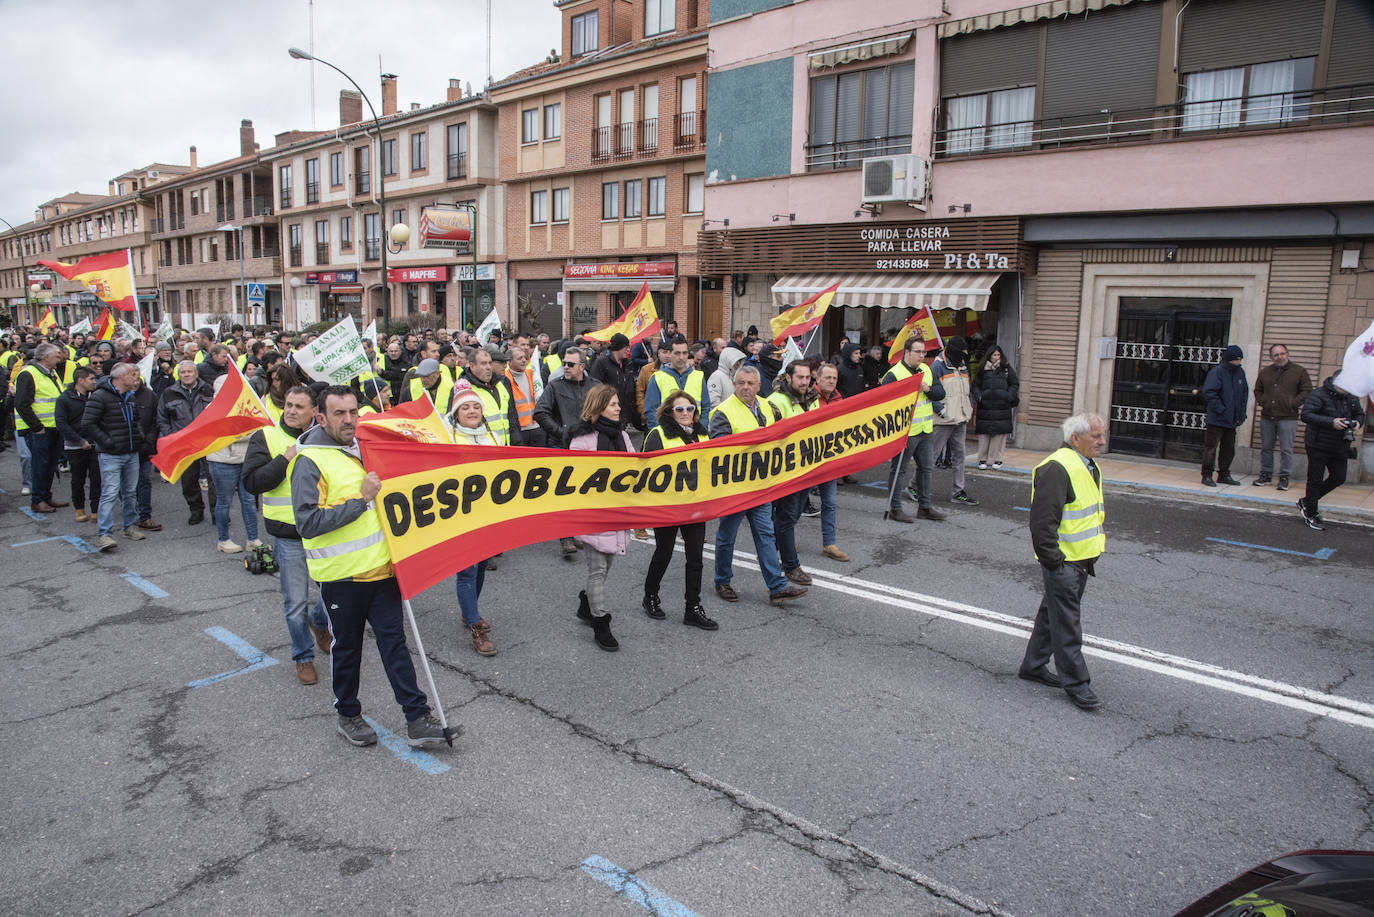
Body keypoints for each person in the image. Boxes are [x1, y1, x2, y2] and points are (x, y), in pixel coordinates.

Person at [290, 385, 449, 748]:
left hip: (383, 573)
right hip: (341, 578)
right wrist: (360, 500)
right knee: (348, 649)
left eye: (353, 412)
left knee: (395, 645)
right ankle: (348, 714)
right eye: (339, 414)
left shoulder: (366, 446)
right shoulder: (309, 460)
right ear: (321, 417)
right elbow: (307, 523)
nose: (349, 420)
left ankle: (416, 717)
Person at [242, 384, 333, 685]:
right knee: (295, 603)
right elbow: (253, 483)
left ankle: (319, 622)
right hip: (289, 536)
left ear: (314, 412)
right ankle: (303, 657)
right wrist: (285, 458)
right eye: (289, 405)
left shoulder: (325, 438)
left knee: (334, 594)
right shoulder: (266, 437)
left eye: (299, 407)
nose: (292, 411)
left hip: (323, 531)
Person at [1019, 413, 1107, 711]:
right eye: (1095, 436)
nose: (1102, 441)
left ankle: (1033, 665)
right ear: (1075, 439)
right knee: (1067, 623)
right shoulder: (1058, 468)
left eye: (1101, 435)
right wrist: (1054, 561)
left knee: (1052, 614)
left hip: (1080, 559)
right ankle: (1077, 684)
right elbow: (1042, 524)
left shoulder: (1087, 464)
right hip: (1065, 561)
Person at [708, 364, 808, 607]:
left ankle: (777, 587)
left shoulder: (768, 406)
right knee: (727, 537)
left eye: (750, 383)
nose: (745, 387)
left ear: (758, 386)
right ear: (734, 385)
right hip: (735, 487)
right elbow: (721, 447)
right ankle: (722, 580)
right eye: (740, 383)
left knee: (765, 534)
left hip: (761, 485)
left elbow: (783, 434)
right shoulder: (723, 411)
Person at [641, 391, 718, 630]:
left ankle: (693, 608)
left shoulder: (703, 434)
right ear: (669, 412)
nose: (686, 413)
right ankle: (650, 596)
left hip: (695, 505)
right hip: (668, 506)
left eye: (690, 408)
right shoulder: (658, 434)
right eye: (680, 409)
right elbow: (645, 470)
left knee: (695, 556)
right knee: (664, 552)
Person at [569, 384, 634, 651]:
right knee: (597, 570)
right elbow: (572, 481)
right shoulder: (582, 440)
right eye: (613, 404)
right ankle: (600, 622)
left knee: (605, 568)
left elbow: (634, 467)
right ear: (599, 408)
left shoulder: (622, 435)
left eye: (618, 403)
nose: (619, 408)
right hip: (594, 513)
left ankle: (586, 603)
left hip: (617, 512)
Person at [445, 381, 500, 656]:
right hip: (461, 515)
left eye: (476, 406)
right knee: (466, 570)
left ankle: (470, 613)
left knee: (480, 567)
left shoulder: (492, 435)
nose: (471, 411)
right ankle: (476, 627)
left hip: (488, 514)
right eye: (465, 407)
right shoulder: (446, 437)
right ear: (456, 412)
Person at [534, 345, 592, 557]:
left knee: (581, 492)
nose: (565, 367)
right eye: (564, 363)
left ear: (582, 366)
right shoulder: (555, 386)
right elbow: (540, 412)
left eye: (570, 364)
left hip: (586, 446)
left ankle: (576, 531)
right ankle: (566, 537)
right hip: (561, 446)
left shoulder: (594, 386)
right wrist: (560, 432)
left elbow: (605, 410)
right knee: (564, 492)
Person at [81, 363, 146, 552]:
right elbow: (88, 424)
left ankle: (130, 526)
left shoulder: (130, 397)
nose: (136, 378)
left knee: (130, 492)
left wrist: (139, 438)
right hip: (111, 454)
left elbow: (137, 421)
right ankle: (104, 534)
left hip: (131, 452)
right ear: (121, 377)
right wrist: (107, 442)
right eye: (132, 375)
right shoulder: (100, 397)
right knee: (110, 493)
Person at [765, 360, 818, 586]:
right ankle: (791, 566)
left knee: (793, 514)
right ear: (788, 377)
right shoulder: (776, 401)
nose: (805, 382)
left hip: (806, 466)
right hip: (785, 468)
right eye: (800, 378)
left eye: (807, 378)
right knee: (787, 516)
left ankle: (768, 551)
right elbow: (770, 435)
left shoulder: (812, 398)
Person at [881, 333, 945, 524]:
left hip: (925, 429)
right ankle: (895, 508)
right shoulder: (894, 374)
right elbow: (886, 402)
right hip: (905, 432)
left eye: (924, 352)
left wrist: (927, 389)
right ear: (907, 352)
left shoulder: (926, 369)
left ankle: (924, 507)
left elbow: (940, 393)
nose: (922, 356)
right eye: (918, 352)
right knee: (899, 470)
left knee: (926, 468)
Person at [1297, 376, 1364, 531]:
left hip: (1340, 444)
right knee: (1315, 479)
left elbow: (1360, 414)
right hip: (1317, 443)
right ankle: (1311, 513)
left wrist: (1357, 423)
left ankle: (1307, 502)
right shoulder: (1318, 394)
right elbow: (1306, 415)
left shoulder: (1351, 396)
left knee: (1339, 477)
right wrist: (1332, 422)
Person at [205, 374, 261, 554]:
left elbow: (258, 429)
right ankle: (223, 539)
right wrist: (244, 432)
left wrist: (244, 432)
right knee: (224, 502)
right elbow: (226, 434)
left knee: (249, 500)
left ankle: (252, 539)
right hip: (223, 461)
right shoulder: (212, 409)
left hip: (245, 460)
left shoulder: (248, 406)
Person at [157, 361, 215, 524]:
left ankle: (217, 512)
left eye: (190, 371)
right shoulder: (168, 393)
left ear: (196, 374)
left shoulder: (208, 389)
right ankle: (196, 510)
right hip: (184, 444)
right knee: (189, 481)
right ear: (178, 375)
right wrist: (172, 436)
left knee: (214, 480)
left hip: (207, 442)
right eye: (183, 372)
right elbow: (162, 418)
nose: (187, 374)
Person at [13, 343, 66, 513]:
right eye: (57, 355)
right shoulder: (28, 374)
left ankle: (46, 496)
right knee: (40, 465)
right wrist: (37, 427)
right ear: (46, 357)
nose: (60, 358)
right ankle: (37, 500)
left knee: (50, 465)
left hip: (53, 427)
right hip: (40, 429)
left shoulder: (50, 373)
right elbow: (21, 404)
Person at [1252, 343, 1313, 490]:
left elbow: (1307, 390)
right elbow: (1257, 390)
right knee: (1266, 447)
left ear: (1287, 353)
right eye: (1276, 355)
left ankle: (1284, 477)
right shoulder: (1265, 372)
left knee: (1286, 449)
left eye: (1282, 353)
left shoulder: (1299, 371)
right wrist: (1264, 402)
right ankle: (1266, 474)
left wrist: (1293, 403)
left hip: (1288, 417)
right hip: (1268, 416)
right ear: (1271, 357)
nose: (1280, 357)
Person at [930, 336, 978, 505]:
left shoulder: (963, 367)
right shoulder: (937, 366)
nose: (965, 357)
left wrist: (969, 407)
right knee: (932, 456)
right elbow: (928, 392)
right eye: (962, 354)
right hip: (943, 420)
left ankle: (958, 491)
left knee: (959, 456)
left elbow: (968, 391)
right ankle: (916, 486)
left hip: (961, 418)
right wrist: (941, 411)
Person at [812, 363, 850, 561]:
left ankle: (829, 543)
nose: (831, 381)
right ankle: (785, 541)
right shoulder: (808, 398)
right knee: (794, 506)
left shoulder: (839, 399)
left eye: (834, 378)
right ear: (817, 379)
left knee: (830, 503)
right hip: (808, 461)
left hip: (829, 459)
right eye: (827, 378)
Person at [55, 366, 100, 522]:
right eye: (91, 379)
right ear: (80, 380)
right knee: (78, 479)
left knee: (97, 478)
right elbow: (61, 423)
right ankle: (79, 509)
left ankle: (96, 509)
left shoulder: (95, 396)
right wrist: (79, 441)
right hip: (75, 446)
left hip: (94, 444)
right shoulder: (64, 399)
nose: (94, 382)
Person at [1201, 345, 1248, 487]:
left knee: (1228, 448)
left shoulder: (1240, 372)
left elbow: (1244, 394)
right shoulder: (1218, 372)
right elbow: (1210, 392)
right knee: (1211, 447)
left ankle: (1224, 474)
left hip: (1232, 419)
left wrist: (1241, 414)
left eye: (1240, 359)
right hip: (1217, 419)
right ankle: (1207, 474)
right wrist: (1221, 410)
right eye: (1236, 360)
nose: (1239, 362)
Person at [644, 335, 711, 430]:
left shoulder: (699, 377)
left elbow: (705, 408)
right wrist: (662, 435)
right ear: (669, 354)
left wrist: (701, 430)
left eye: (684, 353)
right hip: (668, 436)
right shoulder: (657, 378)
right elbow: (651, 412)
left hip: (694, 436)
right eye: (677, 353)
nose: (681, 357)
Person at [973, 345, 1019, 470]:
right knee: (984, 435)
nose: (996, 357)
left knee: (999, 435)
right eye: (994, 355)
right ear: (989, 356)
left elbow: (1015, 383)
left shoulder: (1006, 369)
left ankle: (997, 459)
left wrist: (1008, 396)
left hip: (1002, 407)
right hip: (985, 407)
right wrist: (979, 397)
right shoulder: (982, 369)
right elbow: (975, 385)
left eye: (998, 355)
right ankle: (982, 459)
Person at [588, 333, 641, 430]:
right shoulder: (601, 363)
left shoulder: (627, 365)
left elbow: (630, 389)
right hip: (605, 416)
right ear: (618, 347)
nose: (628, 350)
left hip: (622, 416)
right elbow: (594, 388)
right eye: (626, 347)